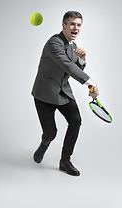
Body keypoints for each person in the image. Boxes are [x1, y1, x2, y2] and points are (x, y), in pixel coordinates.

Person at [31, 11, 99, 176]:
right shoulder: (54, 43)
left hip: (63, 92)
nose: (75, 28)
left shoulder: (73, 46)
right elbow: (68, 66)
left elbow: (75, 68)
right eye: (72, 24)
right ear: (64, 26)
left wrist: (82, 59)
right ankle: (44, 144)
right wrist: (92, 83)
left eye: (78, 25)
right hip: (45, 94)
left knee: (76, 121)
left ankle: (65, 161)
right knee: (51, 133)